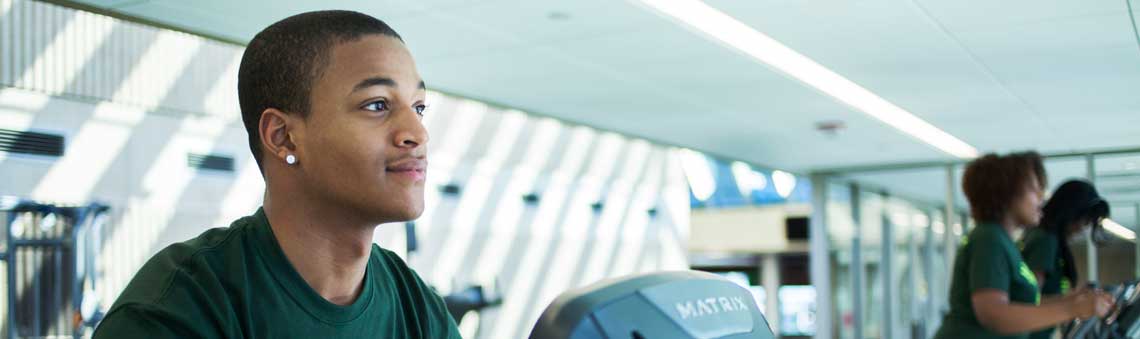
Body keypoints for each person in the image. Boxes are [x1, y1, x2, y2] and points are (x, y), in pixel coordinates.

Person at [93, 11, 461, 338]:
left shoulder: (416, 305)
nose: (418, 134)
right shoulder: (179, 309)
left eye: (419, 107)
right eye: (377, 104)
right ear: (283, 137)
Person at [933, 153, 1113, 339]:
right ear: (1008, 194)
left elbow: (1024, 302)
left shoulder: (1001, 240)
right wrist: (1072, 308)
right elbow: (994, 314)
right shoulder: (989, 238)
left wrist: (1074, 300)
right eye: (1034, 190)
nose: (1041, 198)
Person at [1021, 179, 1111, 339]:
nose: (1083, 228)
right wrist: (1074, 305)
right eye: (1085, 220)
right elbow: (1027, 302)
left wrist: (1076, 298)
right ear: (1071, 213)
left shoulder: (1050, 241)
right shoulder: (1044, 241)